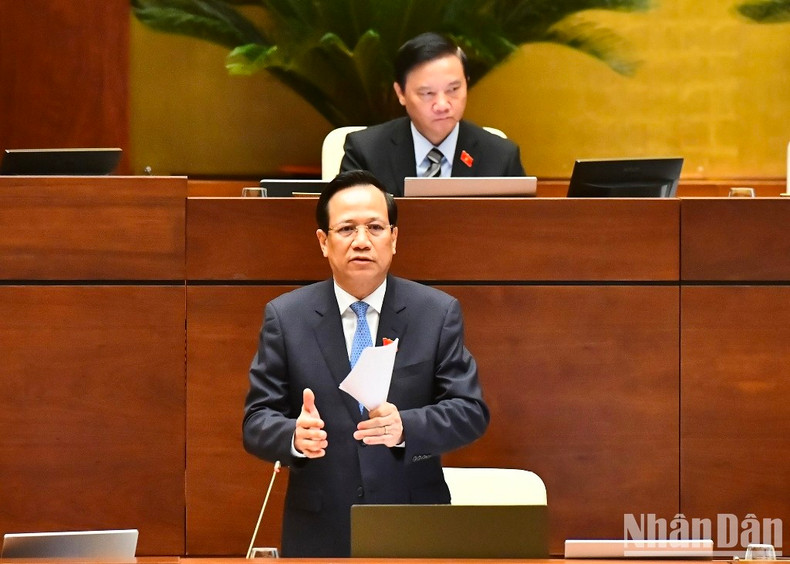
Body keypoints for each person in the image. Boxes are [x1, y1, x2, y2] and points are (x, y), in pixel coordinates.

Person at [242, 170, 489, 557]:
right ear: (323, 241)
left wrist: (405, 426)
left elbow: (470, 412)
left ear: (394, 238)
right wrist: (293, 435)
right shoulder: (287, 317)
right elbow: (256, 421)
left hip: (414, 525)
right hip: (320, 532)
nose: (361, 241)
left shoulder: (435, 313)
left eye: (375, 227)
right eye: (346, 229)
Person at [340, 32, 525, 196]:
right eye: (428, 93)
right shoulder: (365, 152)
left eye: (453, 89)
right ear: (400, 93)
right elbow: (347, 225)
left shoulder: (501, 157)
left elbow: (521, 229)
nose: (443, 105)